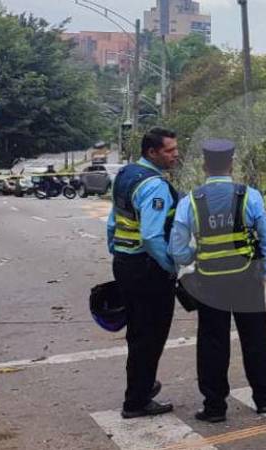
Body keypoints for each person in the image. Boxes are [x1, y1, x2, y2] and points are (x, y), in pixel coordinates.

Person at [168, 139, 266, 423]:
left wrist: (199, 252)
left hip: (210, 283)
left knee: (212, 343)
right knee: (255, 339)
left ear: (204, 166)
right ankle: (265, 399)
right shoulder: (249, 196)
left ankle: (215, 407)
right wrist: (265, 271)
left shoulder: (190, 201)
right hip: (247, 280)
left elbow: (177, 251)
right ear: (231, 164)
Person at [106, 128, 180, 418]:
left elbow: (113, 222)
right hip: (148, 268)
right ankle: (137, 400)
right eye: (170, 150)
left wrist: (117, 251)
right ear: (152, 152)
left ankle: (142, 386)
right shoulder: (155, 186)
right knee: (150, 335)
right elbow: (151, 236)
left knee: (138, 332)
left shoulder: (125, 175)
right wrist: (170, 266)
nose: (176, 155)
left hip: (126, 263)